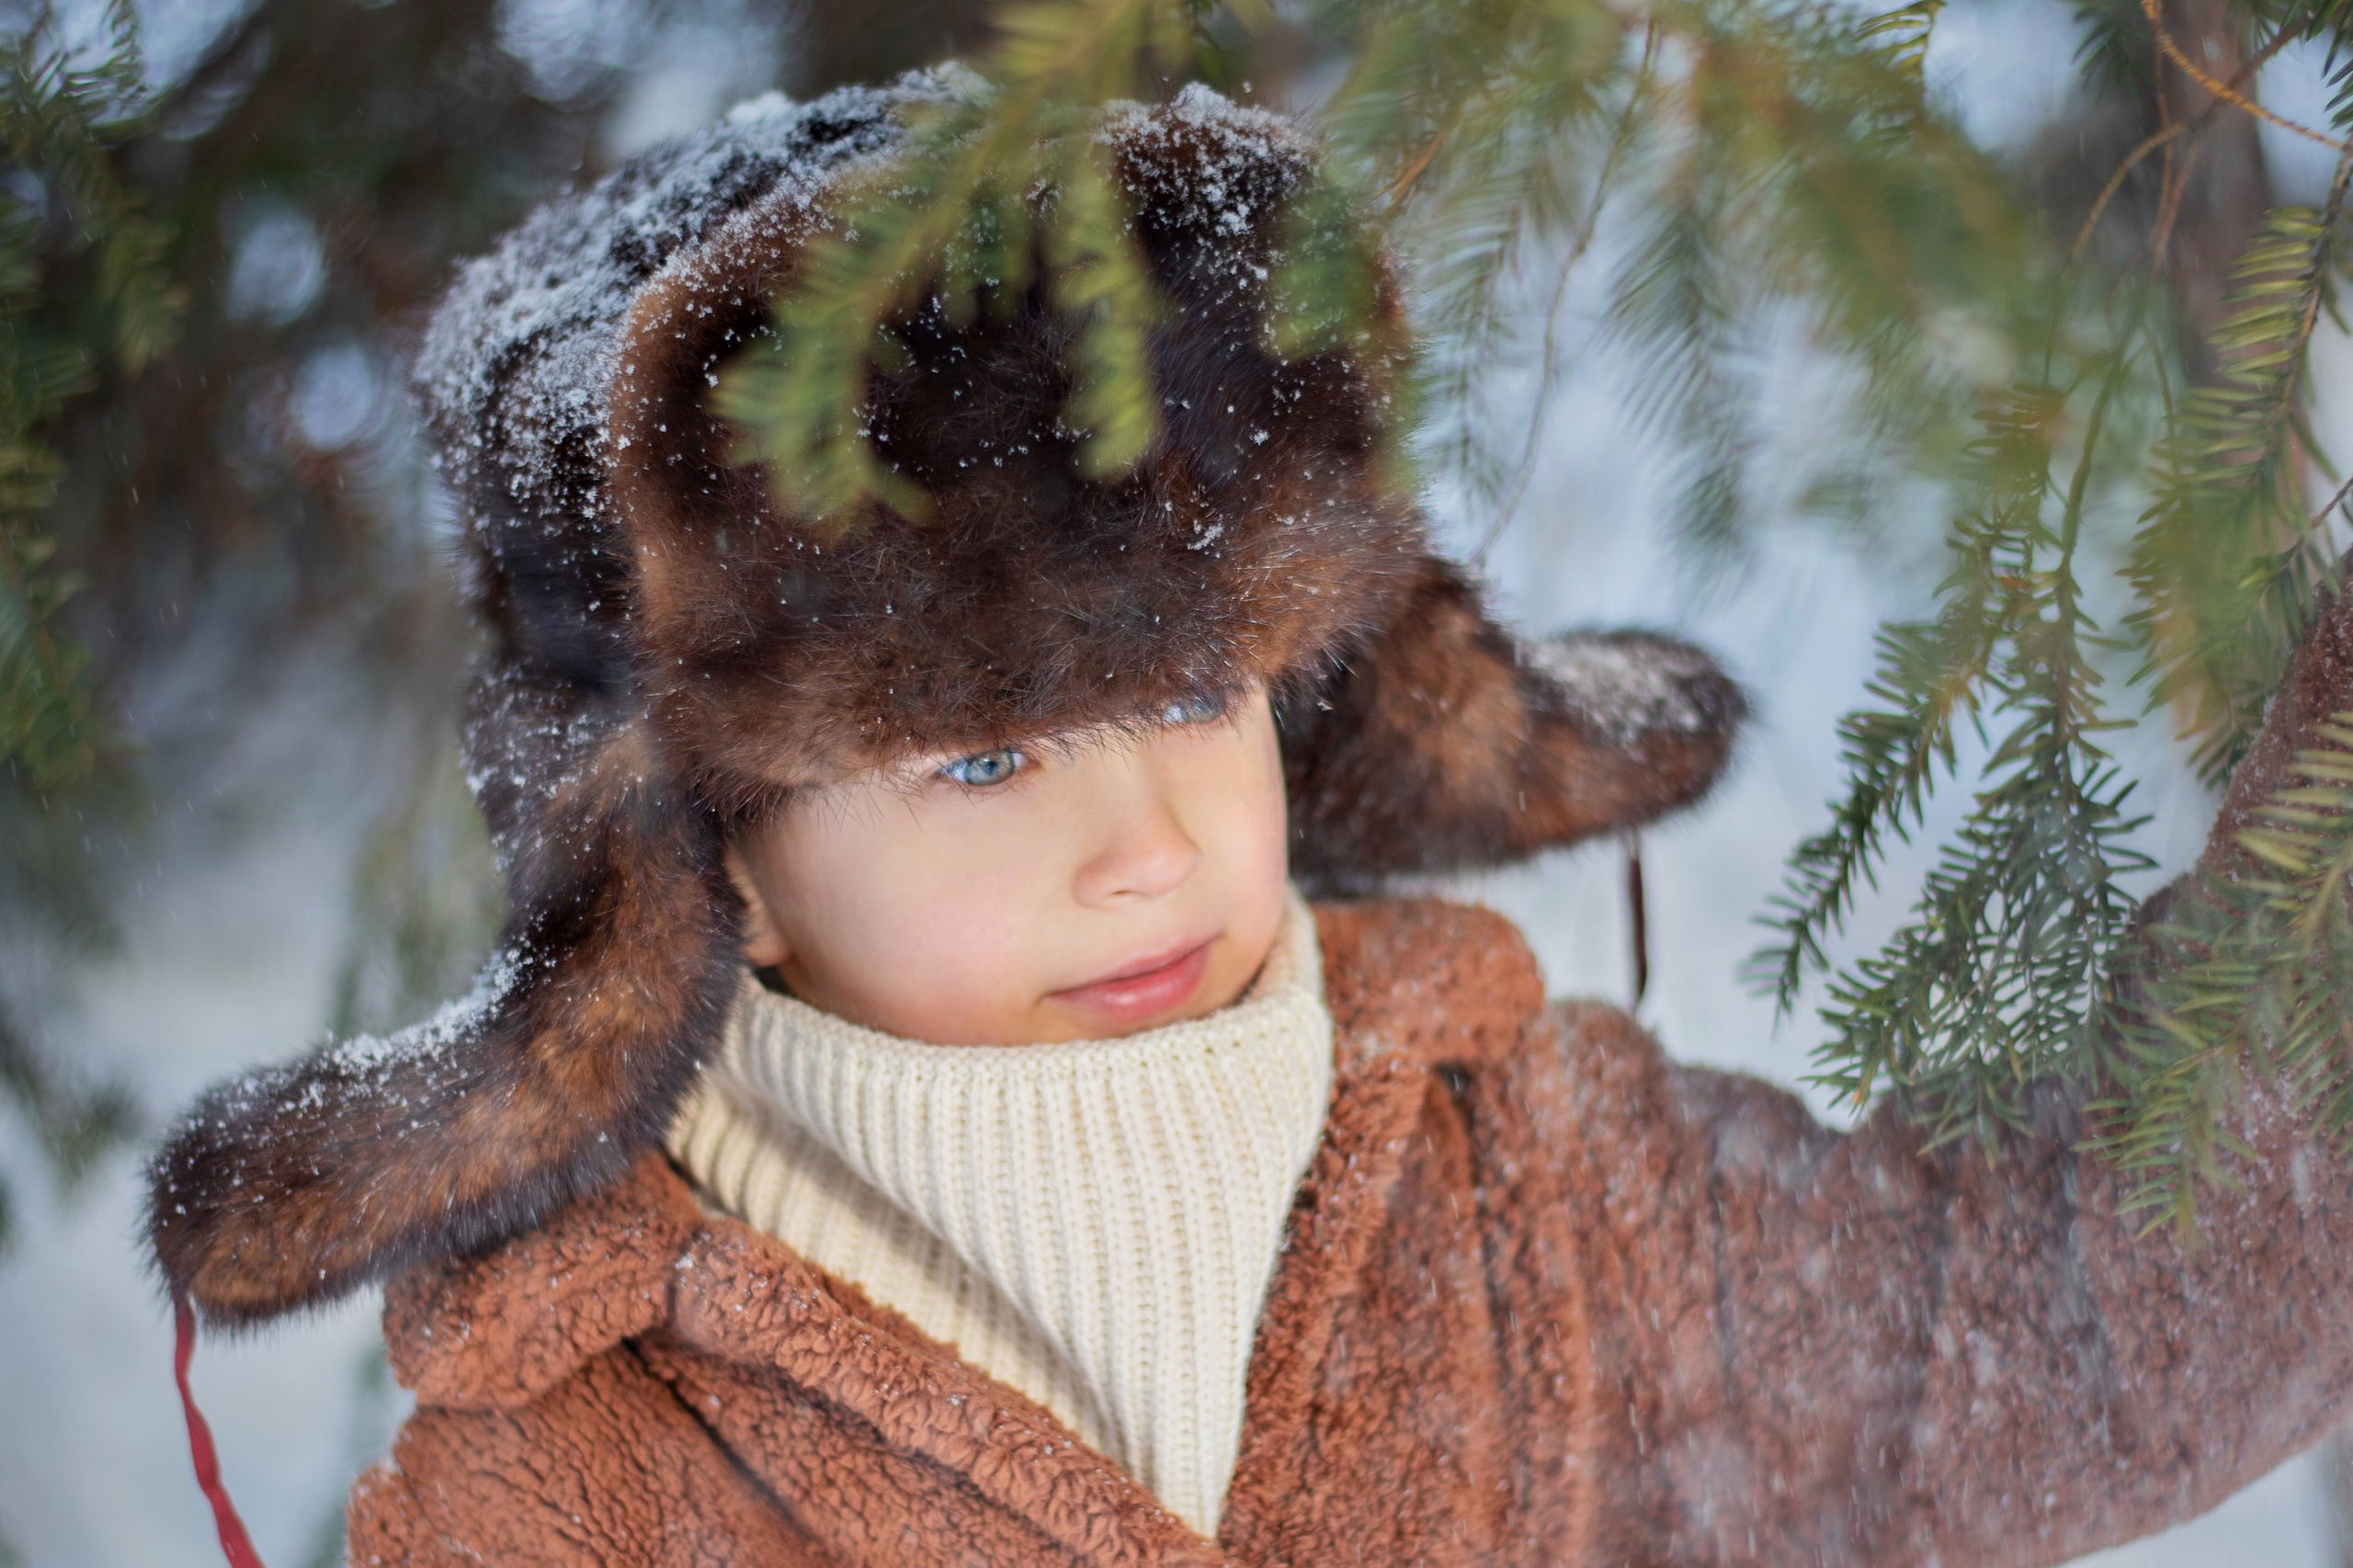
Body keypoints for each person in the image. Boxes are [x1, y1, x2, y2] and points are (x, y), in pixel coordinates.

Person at [147, 75, 2353, 1567]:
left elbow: (2087, 1318)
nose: (1147, 848)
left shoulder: (1535, 1194)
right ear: (708, 860)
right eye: (983, 758)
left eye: (1192, 695)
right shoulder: (573, 1468)